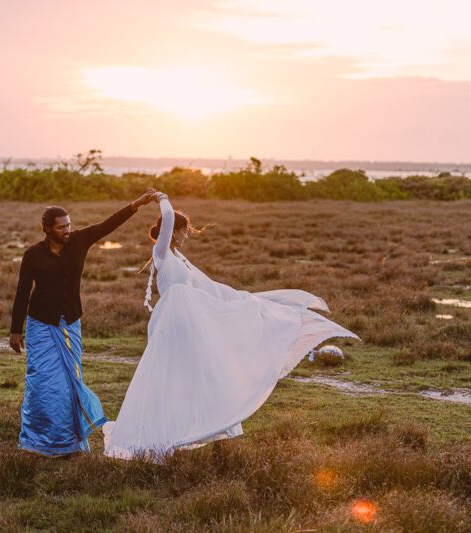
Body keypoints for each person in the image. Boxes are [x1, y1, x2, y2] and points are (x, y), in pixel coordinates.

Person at [103, 192, 359, 459]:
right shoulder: (162, 253)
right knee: (168, 374)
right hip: (172, 320)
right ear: (175, 232)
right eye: (185, 231)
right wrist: (160, 198)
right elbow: (167, 216)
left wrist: (242, 301)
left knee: (195, 373)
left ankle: (192, 431)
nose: (187, 236)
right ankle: (154, 438)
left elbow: (209, 288)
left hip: (191, 319)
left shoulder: (180, 259)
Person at [10, 189, 158, 457]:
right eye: (61, 227)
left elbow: (108, 224)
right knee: (42, 381)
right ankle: (40, 438)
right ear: (47, 229)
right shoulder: (33, 255)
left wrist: (137, 203)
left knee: (70, 380)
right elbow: (22, 291)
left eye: (69, 225)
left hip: (70, 323)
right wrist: (14, 330)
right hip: (41, 323)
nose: (67, 230)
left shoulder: (80, 241)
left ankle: (69, 440)